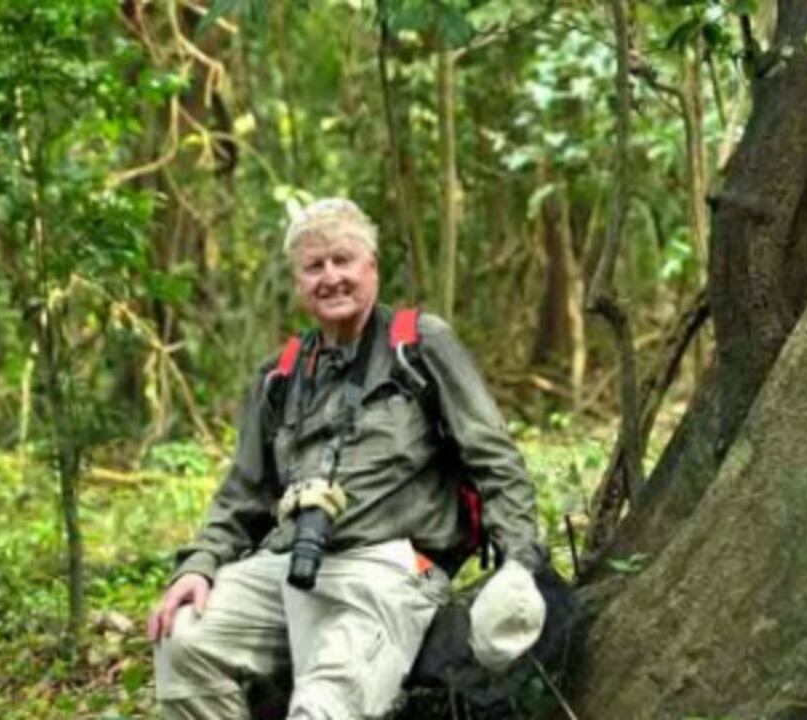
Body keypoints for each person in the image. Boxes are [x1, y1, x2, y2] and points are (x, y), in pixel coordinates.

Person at [147, 198, 545, 719]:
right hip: (289, 564)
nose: (330, 277)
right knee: (183, 637)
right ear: (298, 282)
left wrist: (520, 561)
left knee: (325, 709)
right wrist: (197, 567)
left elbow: (494, 458)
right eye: (314, 266)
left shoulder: (418, 345)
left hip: (390, 568)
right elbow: (242, 495)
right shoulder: (280, 374)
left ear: (372, 268)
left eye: (343, 260)